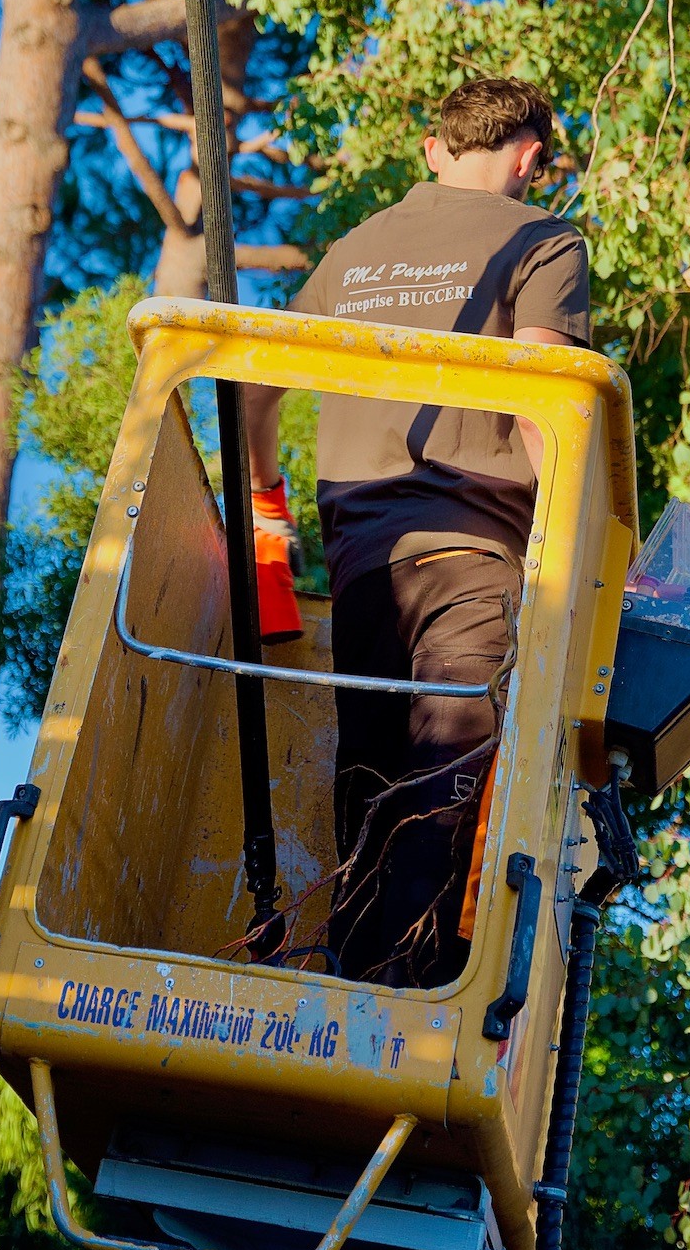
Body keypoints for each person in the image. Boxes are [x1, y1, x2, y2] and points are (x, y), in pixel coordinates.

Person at [244, 77, 590, 987]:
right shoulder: (544, 238)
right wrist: (576, 558)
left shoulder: (351, 253)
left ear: (433, 153)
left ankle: (346, 997)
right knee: (446, 776)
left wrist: (266, 495)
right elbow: (544, 393)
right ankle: (406, 1007)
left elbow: (252, 391)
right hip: (471, 552)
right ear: (528, 159)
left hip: (363, 567)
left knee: (366, 782)